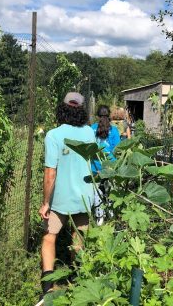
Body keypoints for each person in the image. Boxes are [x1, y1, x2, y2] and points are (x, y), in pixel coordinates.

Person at [38, 92, 96, 303]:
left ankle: (48, 288)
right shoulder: (90, 133)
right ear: (81, 110)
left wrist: (46, 202)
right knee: (78, 238)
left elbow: (50, 174)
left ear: (61, 108)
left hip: (60, 200)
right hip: (84, 197)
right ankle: (77, 282)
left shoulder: (53, 135)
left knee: (49, 237)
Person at [91, 105, 121, 225]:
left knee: (97, 191)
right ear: (109, 115)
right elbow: (117, 148)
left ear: (97, 116)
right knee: (109, 190)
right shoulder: (114, 130)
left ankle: (99, 217)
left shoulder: (92, 128)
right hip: (110, 165)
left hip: (95, 166)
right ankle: (111, 214)